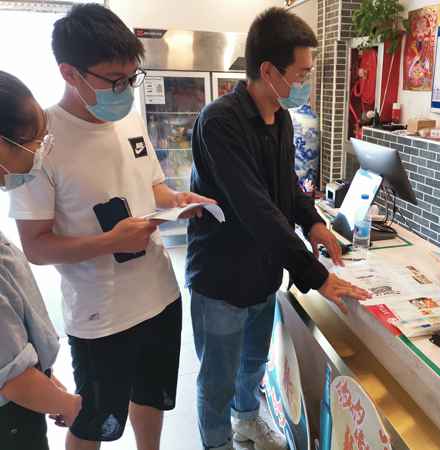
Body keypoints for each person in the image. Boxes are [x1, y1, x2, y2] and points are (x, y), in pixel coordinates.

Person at [9, 5, 215, 450]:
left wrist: (178, 200)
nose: (124, 90)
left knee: (153, 399)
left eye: (131, 78)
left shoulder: (129, 117)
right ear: (69, 73)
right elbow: (36, 247)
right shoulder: (38, 142)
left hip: (160, 294)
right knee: (93, 422)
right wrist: (110, 241)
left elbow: (154, 184)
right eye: (113, 80)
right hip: (101, 316)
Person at [187, 7, 370, 450]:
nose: (307, 82)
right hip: (222, 279)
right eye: (302, 72)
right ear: (269, 70)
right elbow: (257, 210)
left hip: (263, 275)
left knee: (251, 363)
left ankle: (247, 420)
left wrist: (312, 222)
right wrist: (319, 276)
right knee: (218, 379)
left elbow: (286, 186)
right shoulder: (219, 123)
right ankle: (217, 443)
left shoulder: (282, 118)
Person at [0, 71, 81, 449]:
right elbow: (10, 377)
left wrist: (44, 382)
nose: (39, 156)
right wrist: (70, 405)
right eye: (34, 145)